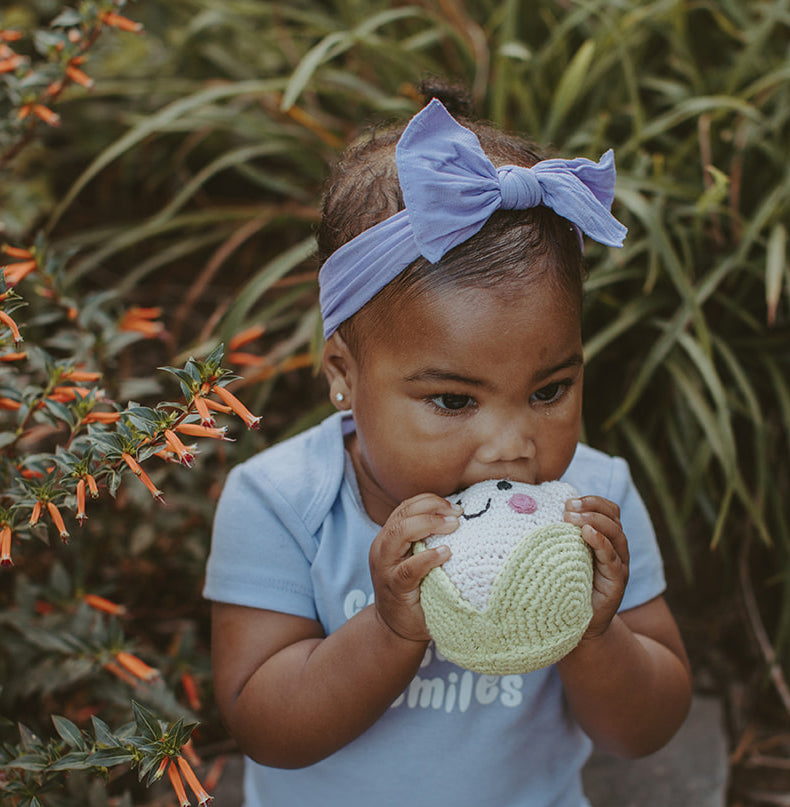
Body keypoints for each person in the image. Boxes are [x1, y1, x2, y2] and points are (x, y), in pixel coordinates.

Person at [203, 83, 692, 807]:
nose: (511, 445)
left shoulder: (597, 501)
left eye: (549, 390)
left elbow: (644, 730)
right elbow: (267, 725)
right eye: (454, 400)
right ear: (344, 372)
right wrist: (389, 628)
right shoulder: (280, 502)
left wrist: (595, 635)